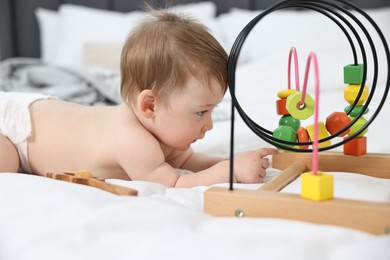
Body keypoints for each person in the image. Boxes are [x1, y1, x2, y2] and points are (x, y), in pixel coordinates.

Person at [0, 8, 278, 188]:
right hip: (14, 130)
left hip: (41, 112)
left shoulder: (164, 131)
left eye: (211, 110)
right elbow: (173, 184)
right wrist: (231, 172)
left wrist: (233, 161)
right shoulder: (133, 140)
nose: (209, 125)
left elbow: (191, 162)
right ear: (150, 105)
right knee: (6, 171)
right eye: (200, 112)